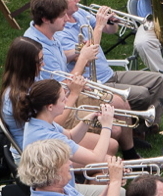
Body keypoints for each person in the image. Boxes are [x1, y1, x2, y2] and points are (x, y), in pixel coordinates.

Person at [22, 0, 142, 158]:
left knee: (120, 104)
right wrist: (83, 58)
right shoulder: (38, 45)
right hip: (59, 103)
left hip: (66, 96)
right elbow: (61, 87)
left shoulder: (49, 34)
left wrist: (76, 52)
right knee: (116, 122)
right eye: (62, 16)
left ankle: (129, 149)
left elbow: (62, 62)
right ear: (45, 19)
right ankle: (123, 153)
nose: (66, 18)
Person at [54, 0, 163, 136]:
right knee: (142, 94)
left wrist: (111, 22)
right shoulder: (59, 31)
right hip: (96, 82)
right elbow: (89, 53)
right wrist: (99, 26)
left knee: (158, 80)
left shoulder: (80, 13)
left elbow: (111, 30)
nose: (78, 0)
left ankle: (148, 126)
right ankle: (134, 130)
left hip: (110, 73)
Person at [0, 36, 120, 160]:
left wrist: (71, 91)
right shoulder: (18, 98)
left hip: (51, 139)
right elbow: (52, 122)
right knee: (105, 159)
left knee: (111, 146)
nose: (43, 64)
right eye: (40, 61)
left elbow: (62, 130)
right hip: (38, 154)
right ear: (26, 64)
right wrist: (73, 93)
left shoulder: (30, 80)